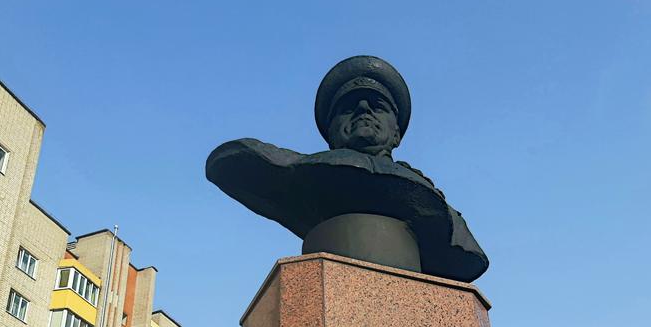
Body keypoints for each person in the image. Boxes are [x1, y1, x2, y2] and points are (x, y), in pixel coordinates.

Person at [206, 56, 488, 283]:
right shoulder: (300, 169)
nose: (363, 108)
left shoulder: (438, 205)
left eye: (377, 105)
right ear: (331, 132)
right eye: (348, 107)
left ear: (396, 133)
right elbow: (226, 159)